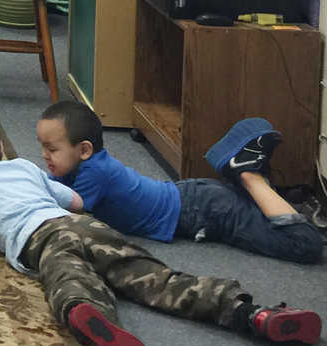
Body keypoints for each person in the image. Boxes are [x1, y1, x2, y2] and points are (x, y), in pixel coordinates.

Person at [0, 107, 322, 346]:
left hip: (43, 238)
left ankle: (89, 313)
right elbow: (76, 204)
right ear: (0, 148)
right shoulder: (23, 166)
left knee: (68, 277)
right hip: (84, 224)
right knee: (157, 278)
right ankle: (252, 313)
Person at [39, 102, 322, 264]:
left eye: (51, 149)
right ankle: (253, 178)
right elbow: (48, 189)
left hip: (205, 212)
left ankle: (248, 173)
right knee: (266, 217)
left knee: (305, 244)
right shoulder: (77, 166)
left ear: (85, 150)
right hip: (195, 200)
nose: (44, 156)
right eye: (43, 147)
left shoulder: (93, 172)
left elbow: (60, 213)